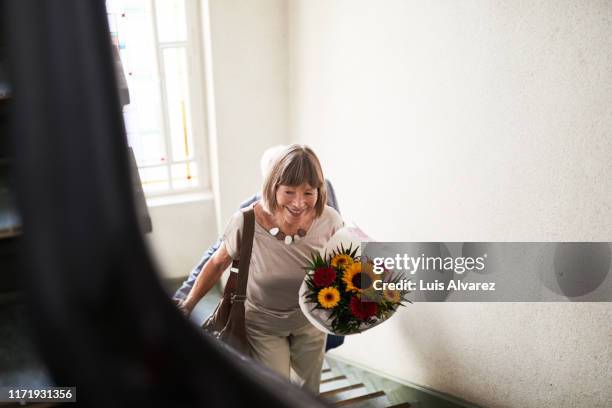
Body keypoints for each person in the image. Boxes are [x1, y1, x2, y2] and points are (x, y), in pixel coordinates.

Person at [178, 145, 344, 393]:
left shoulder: (329, 220)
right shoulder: (246, 221)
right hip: (263, 326)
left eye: (308, 193)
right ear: (272, 187)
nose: (299, 203)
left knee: (309, 393)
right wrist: (188, 303)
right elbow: (216, 262)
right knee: (277, 391)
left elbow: (343, 262)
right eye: (289, 192)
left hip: (311, 321)